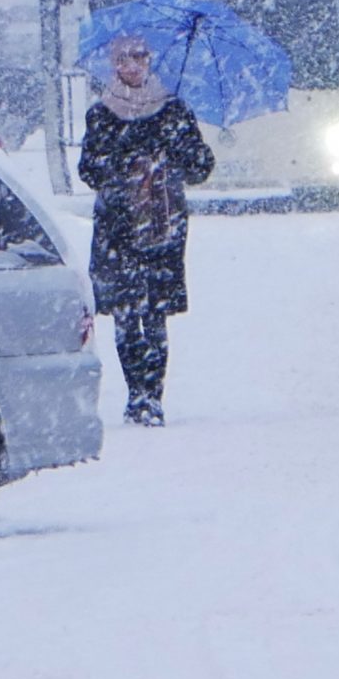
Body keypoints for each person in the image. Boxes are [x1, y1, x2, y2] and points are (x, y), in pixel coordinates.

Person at [78, 35, 214, 426]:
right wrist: (124, 167)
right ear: (113, 63)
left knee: (155, 314)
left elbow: (201, 165)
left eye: (139, 56)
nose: (132, 64)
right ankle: (134, 393)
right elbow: (89, 169)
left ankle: (152, 396)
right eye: (124, 57)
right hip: (117, 228)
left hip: (161, 224)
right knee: (124, 314)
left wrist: (175, 152)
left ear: (149, 60)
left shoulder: (172, 109)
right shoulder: (101, 113)